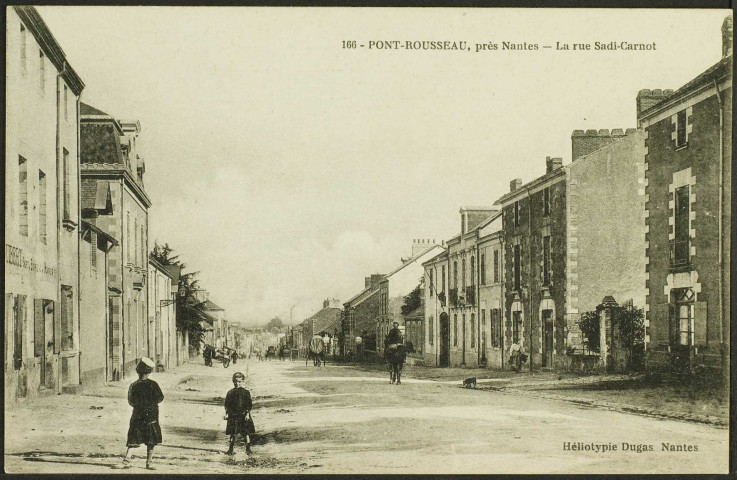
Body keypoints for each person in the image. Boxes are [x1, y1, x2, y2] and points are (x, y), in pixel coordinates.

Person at [112, 357, 164, 470]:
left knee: (134, 437)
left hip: (138, 415)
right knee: (150, 439)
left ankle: (127, 460)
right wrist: (151, 404)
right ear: (148, 372)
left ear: (138, 372)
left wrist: (140, 406)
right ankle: (149, 462)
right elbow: (160, 398)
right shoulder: (153, 384)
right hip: (151, 415)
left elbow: (130, 401)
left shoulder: (133, 385)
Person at [224, 372, 253, 455]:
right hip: (233, 415)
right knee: (232, 432)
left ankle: (248, 448)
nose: (237, 384)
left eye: (239, 382)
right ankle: (230, 449)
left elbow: (249, 404)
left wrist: (247, 413)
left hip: (243, 414)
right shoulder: (230, 393)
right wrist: (227, 413)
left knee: (246, 432)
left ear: (242, 381)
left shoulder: (246, 392)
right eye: (236, 382)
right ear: (233, 381)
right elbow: (227, 404)